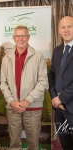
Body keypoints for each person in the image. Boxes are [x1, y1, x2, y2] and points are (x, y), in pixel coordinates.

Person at [0, 25, 48, 150]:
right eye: (18, 36)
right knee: (14, 144)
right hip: (13, 107)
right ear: (13, 38)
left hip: (32, 107)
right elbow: (3, 82)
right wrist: (12, 101)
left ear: (28, 37)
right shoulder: (6, 58)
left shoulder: (38, 56)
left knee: (33, 144)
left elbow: (42, 82)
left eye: (24, 35)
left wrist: (27, 101)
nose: (20, 39)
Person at [48, 16, 73, 150]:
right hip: (59, 110)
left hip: (71, 106)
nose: (66, 30)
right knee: (65, 144)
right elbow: (51, 75)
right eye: (63, 27)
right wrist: (54, 97)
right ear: (58, 30)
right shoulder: (57, 51)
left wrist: (61, 98)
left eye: (69, 26)